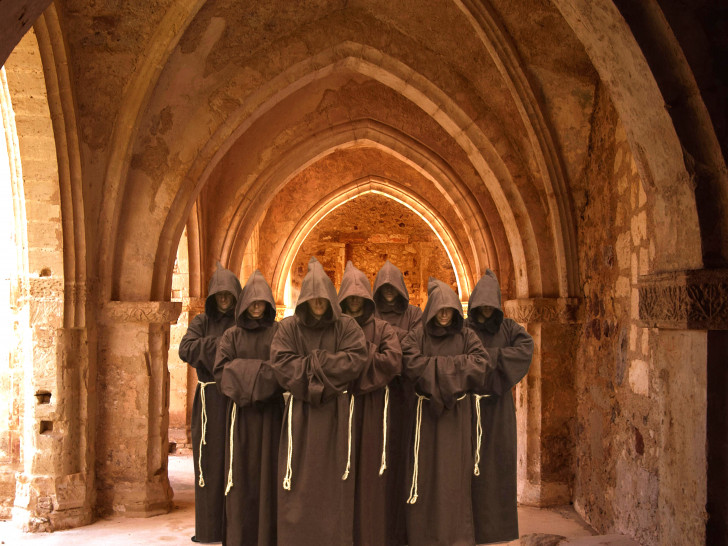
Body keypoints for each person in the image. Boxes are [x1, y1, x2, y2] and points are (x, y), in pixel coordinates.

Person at [269, 257, 368, 546]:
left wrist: (312, 363)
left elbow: (355, 360)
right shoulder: (288, 328)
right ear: (305, 301)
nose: (318, 306)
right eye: (313, 301)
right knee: (299, 480)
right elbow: (282, 364)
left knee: (334, 481)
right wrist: (324, 370)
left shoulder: (347, 326)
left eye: (323, 301)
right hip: (300, 413)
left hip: (337, 414)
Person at [401, 277, 489, 546]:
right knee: (424, 478)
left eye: (449, 309)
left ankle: (455, 538)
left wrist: (435, 369)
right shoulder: (417, 336)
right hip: (424, 418)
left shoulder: (467, 336)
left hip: (456, 419)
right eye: (440, 309)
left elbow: (481, 363)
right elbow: (409, 361)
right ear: (431, 310)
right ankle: (422, 537)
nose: (444, 314)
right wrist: (453, 369)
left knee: (454, 479)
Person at [213, 270, 283, 546]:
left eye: (261, 302)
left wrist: (244, 375)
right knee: (241, 478)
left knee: (269, 478)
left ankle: (267, 537)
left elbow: (281, 368)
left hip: (270, 416)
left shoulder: (278, 332)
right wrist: (260, 376)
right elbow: (220, 371)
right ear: (243, 304)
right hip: (241, 417)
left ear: (268, 304)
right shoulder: (231, 336)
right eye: (252, 302)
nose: (256, 306)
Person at [465, 270, 534, 544]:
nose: (484, 308)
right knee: (469, 469)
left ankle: (497, 530)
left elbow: (525, 349)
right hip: (469, 409)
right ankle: (468, 528)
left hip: (499, 412)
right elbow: (456, 357)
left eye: (489, 304)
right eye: (480, 303)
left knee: (497, 470)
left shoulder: (509, 329)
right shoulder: (465, 329)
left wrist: (486, 359)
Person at [338, 261, 403, 546]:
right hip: (342, 408)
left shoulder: (383, 328)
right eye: (349, 298)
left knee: (372, 474)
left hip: (376, 407)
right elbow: (333, 362)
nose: (354, 302)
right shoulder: (336, 327)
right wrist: (368, 355)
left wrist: (357, 355)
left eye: (358, 297)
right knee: (342, 469)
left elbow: (392, 361)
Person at [179, 262, 242, 543]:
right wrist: (224, 346)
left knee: (235, 462)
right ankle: (209, 529)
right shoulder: (201, 323)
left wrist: (214, 348)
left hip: (237, 400)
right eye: (220, 295)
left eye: (229, 294)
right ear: (212, 298)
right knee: (208, 463)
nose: (225, 299)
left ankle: (234, 528)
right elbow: (186, 349)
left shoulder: (244, 322)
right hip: (209, 401)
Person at [372, 260, 423, 545]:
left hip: (405, 396)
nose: (389, 292)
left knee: (404, 459)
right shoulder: (369, 311)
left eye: (394, 287)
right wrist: (394, 343)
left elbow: (416, 343)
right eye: (384, 287)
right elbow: (361, 342)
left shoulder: (414, 313)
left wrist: (383, 341)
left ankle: (404, 528)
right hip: (375, 397)